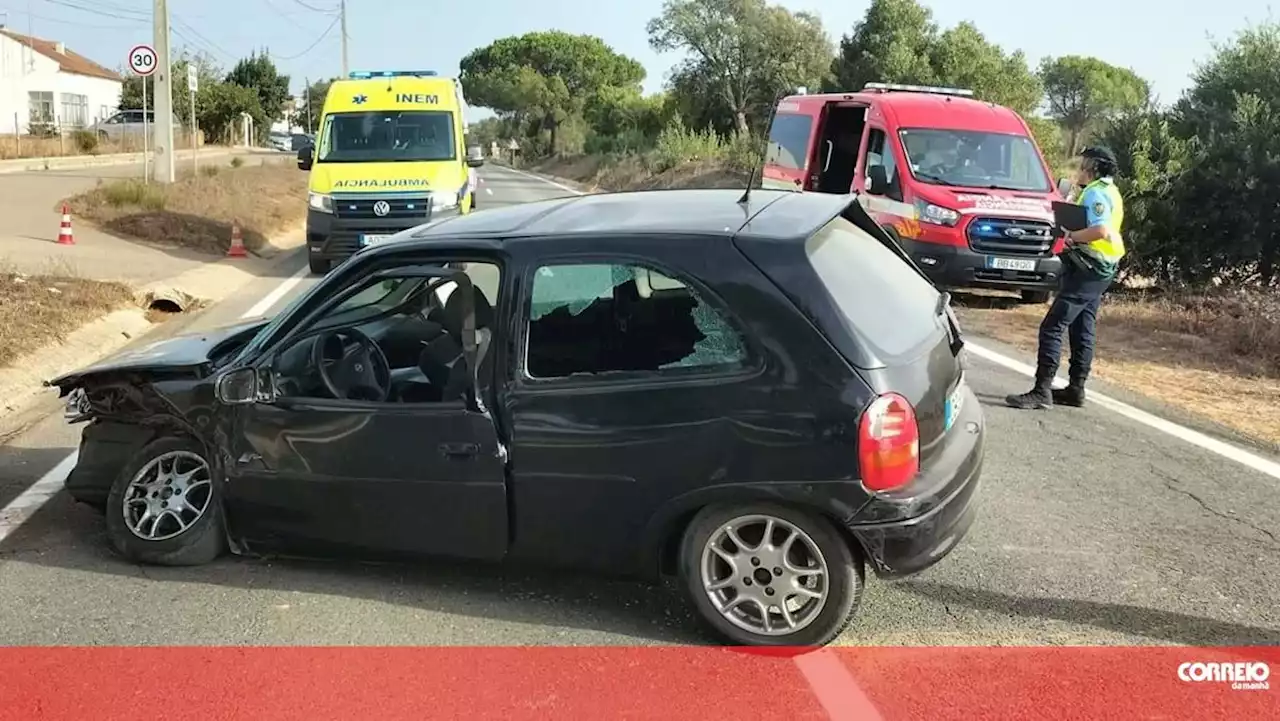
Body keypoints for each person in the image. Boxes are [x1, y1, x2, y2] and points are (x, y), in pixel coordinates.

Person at [1006, 145, 1125, 410]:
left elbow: (1101, 230)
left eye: (1083, 165)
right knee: (1083, 326)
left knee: (1052, 326)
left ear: (1093, 168)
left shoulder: (1095, 192)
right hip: (1101, 269)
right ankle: (1075, 389)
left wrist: (1071, 236)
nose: (1079, 170)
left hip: (1089, 268)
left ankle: (1041, 391)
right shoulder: (1110, 191)